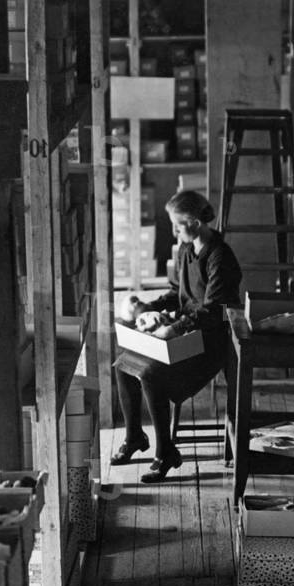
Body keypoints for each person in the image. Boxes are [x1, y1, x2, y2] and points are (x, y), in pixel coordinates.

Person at [111, 190, 243, 483]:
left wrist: (172, 329)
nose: (174, 230)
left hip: (212, 342)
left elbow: (212, 312)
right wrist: (149, 308)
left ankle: (165, 452)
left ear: (195, 222)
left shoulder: (220, 256)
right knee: (122, 366)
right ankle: (134, 437)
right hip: (186, 333)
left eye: (177, 224)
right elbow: (177, 295)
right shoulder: (185, 250)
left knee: (150, 374)